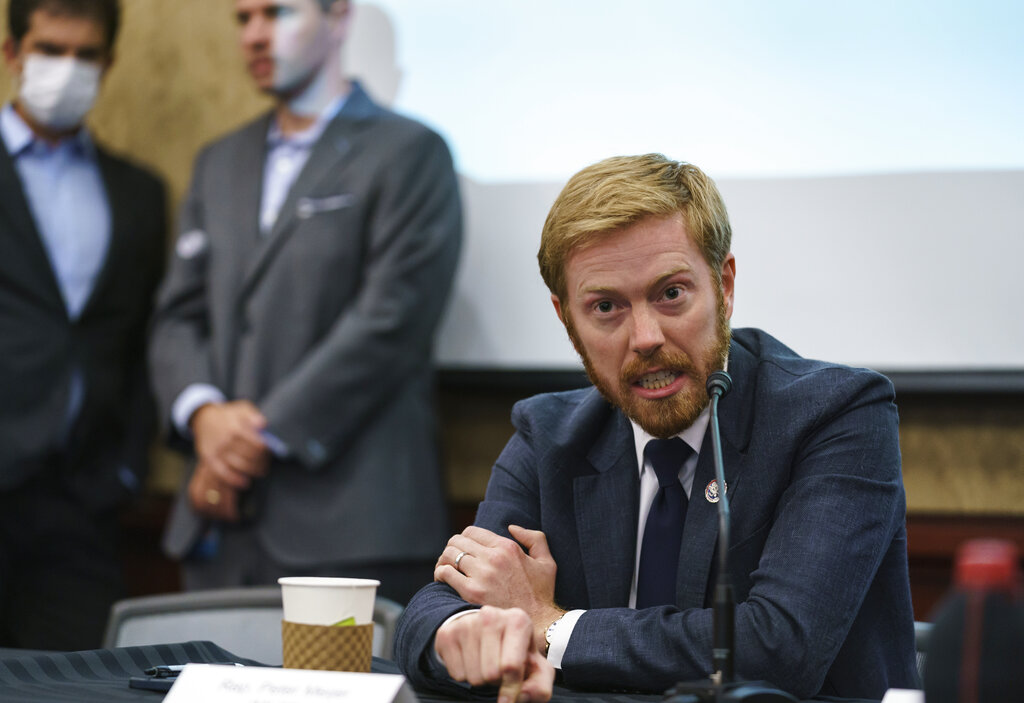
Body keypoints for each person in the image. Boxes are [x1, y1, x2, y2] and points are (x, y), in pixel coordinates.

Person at [393, 154, 919, 701]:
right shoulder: (550, 434)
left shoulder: (835, 415)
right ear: (565, 317)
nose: (645, 337)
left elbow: (777, 647)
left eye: (670, 294)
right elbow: (437, 606)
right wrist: (466, 633)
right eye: (605, 307)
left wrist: (549, 627)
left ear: (725, 285)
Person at [149, 0, 461, 605]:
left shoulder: (411, 152)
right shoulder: (219, 160)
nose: (256, 36)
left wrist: (252, 439)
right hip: (217, 521)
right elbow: (177, 315)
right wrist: (204, 415)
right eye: (243, 19)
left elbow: (389, 321)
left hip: (348, 527)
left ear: (338, 17)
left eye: (278, 13)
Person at [0, 0, 166, 650]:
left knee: (77, 686)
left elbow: (141, 339)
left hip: (82, 503)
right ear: (13, 54)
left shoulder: (137, 193)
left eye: (85, 55)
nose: (67, 70)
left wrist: (126, 469)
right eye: (49, 50)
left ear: (108, 63)